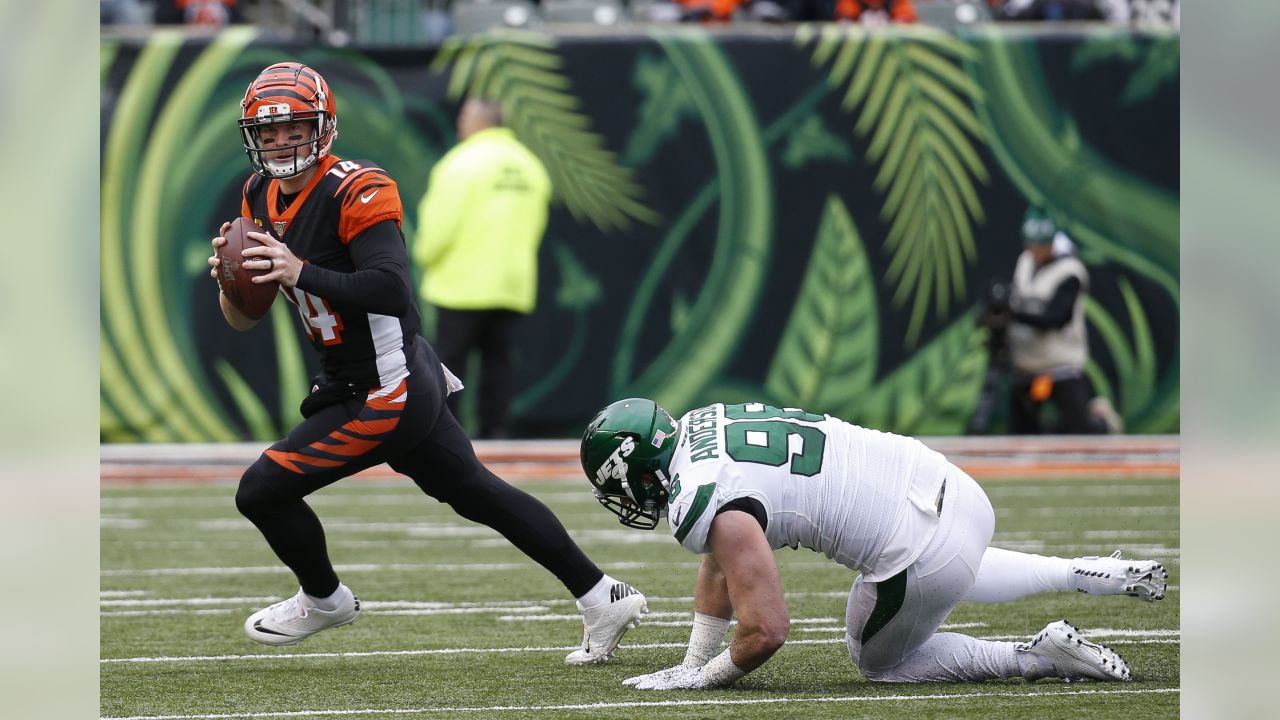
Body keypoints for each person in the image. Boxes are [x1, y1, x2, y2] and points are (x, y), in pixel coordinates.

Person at [205, 62, 645, 664]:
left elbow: (391, 290)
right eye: (269, 131)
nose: (282, 142)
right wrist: (233, 287)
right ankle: (602, 595)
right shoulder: (258, 195)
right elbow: (244, 318)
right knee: (478, 493)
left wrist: (298, 270)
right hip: (358, 379)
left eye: (295, 128)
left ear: (323, 127)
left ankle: (324, 598)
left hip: (388, 388)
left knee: (260, 490)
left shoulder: (356, 188)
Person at [578, 399, 1167, 689]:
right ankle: (1079, 572)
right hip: (954, 488)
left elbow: (768, 629)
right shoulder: (705, 423)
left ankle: (1035, 657)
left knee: (878, 662)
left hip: (920, 550)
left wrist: (700, 680)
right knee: (950, 564)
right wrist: (689, 659)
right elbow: (721, 563)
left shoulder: (696, 497)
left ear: (641, 469)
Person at [412, 98, 551, 439]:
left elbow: (438, 227)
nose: (460, 123)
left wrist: (424, 256)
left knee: (448, 365)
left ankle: (445, 433)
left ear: (479, 121)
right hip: (512, 284)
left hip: (461, 282)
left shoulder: (461, 163)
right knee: (499, 362)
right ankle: (496, 432)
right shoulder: (529, 165)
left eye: (464, 116)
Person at [1007, 207, 1122, 434]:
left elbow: (1054, 318)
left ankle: (1104, 422)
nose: (1036, 251)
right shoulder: (1025, 262)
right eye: (1032, 244)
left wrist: (1014, 313)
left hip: (1060, 365)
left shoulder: (1071, 271)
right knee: (1022, 432)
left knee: (1080, 432)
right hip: (1026, 364)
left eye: (1042, 244)